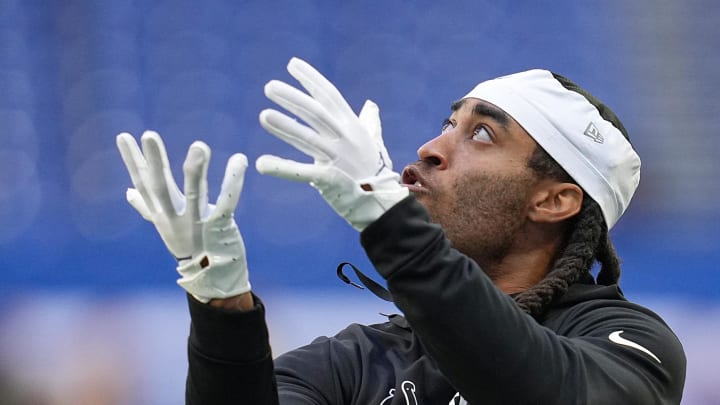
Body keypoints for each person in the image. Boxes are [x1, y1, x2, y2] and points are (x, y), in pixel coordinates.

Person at [116, 57, 686, 404]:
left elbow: (538, 389)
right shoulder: (355, 362)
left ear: (555, 199)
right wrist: (222, 312)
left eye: (482, 135)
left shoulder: (630, 345)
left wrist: (391, 221)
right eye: (448, 123)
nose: (431, 148)